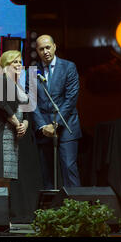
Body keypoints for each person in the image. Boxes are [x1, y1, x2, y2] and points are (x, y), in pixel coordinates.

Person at [30, 35, 82, 189]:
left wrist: (55, 124)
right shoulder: (33, 71)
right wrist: (42, 126)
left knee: (68, 168)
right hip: (44, 129)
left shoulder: (68, 67)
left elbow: (71, 98)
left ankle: (76, 209)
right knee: (47, 172)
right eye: (41, 49)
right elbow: (31, 101)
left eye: (48, 47)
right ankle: (50, 210)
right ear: (37, 52)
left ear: (54, 47)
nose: (45, 51)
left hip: (66, 125)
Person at [0, 50, 29, 195]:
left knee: (6, 178)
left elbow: (26, 110)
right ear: (5, 64)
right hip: (0, 133)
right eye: (14, 61)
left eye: (20, 62)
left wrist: (25, 124)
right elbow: (2, 105)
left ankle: (2, 215)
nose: (18, 65)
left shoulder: (18, 86)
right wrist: (17, 123)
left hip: (12, 136)